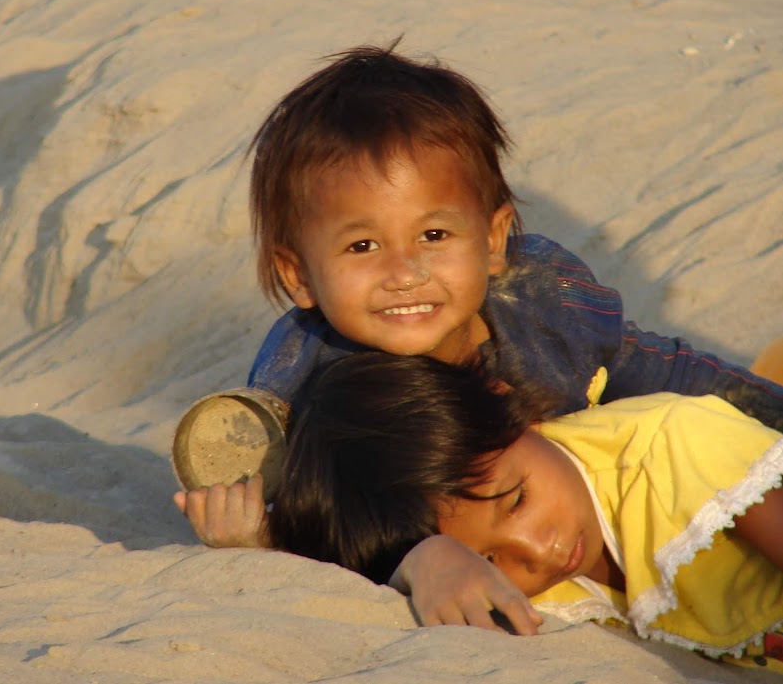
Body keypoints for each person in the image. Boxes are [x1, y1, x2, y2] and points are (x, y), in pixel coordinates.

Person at [173, 40, 783, 635]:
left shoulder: (543, 309)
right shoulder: (310, 391)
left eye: (435, 235)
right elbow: (329, 522)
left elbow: (663, 371)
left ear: (492, 241)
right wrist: (270, 536)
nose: (405, 273)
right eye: (362, 246)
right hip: (544, 548)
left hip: (608, 493)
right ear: (300, 274)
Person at [268, 350, 783, 667]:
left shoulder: (673, 448)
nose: (539, 552)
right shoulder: (501, 572)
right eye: (487, 560)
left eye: (518, 500)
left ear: (510, 408)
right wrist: (423, 558)